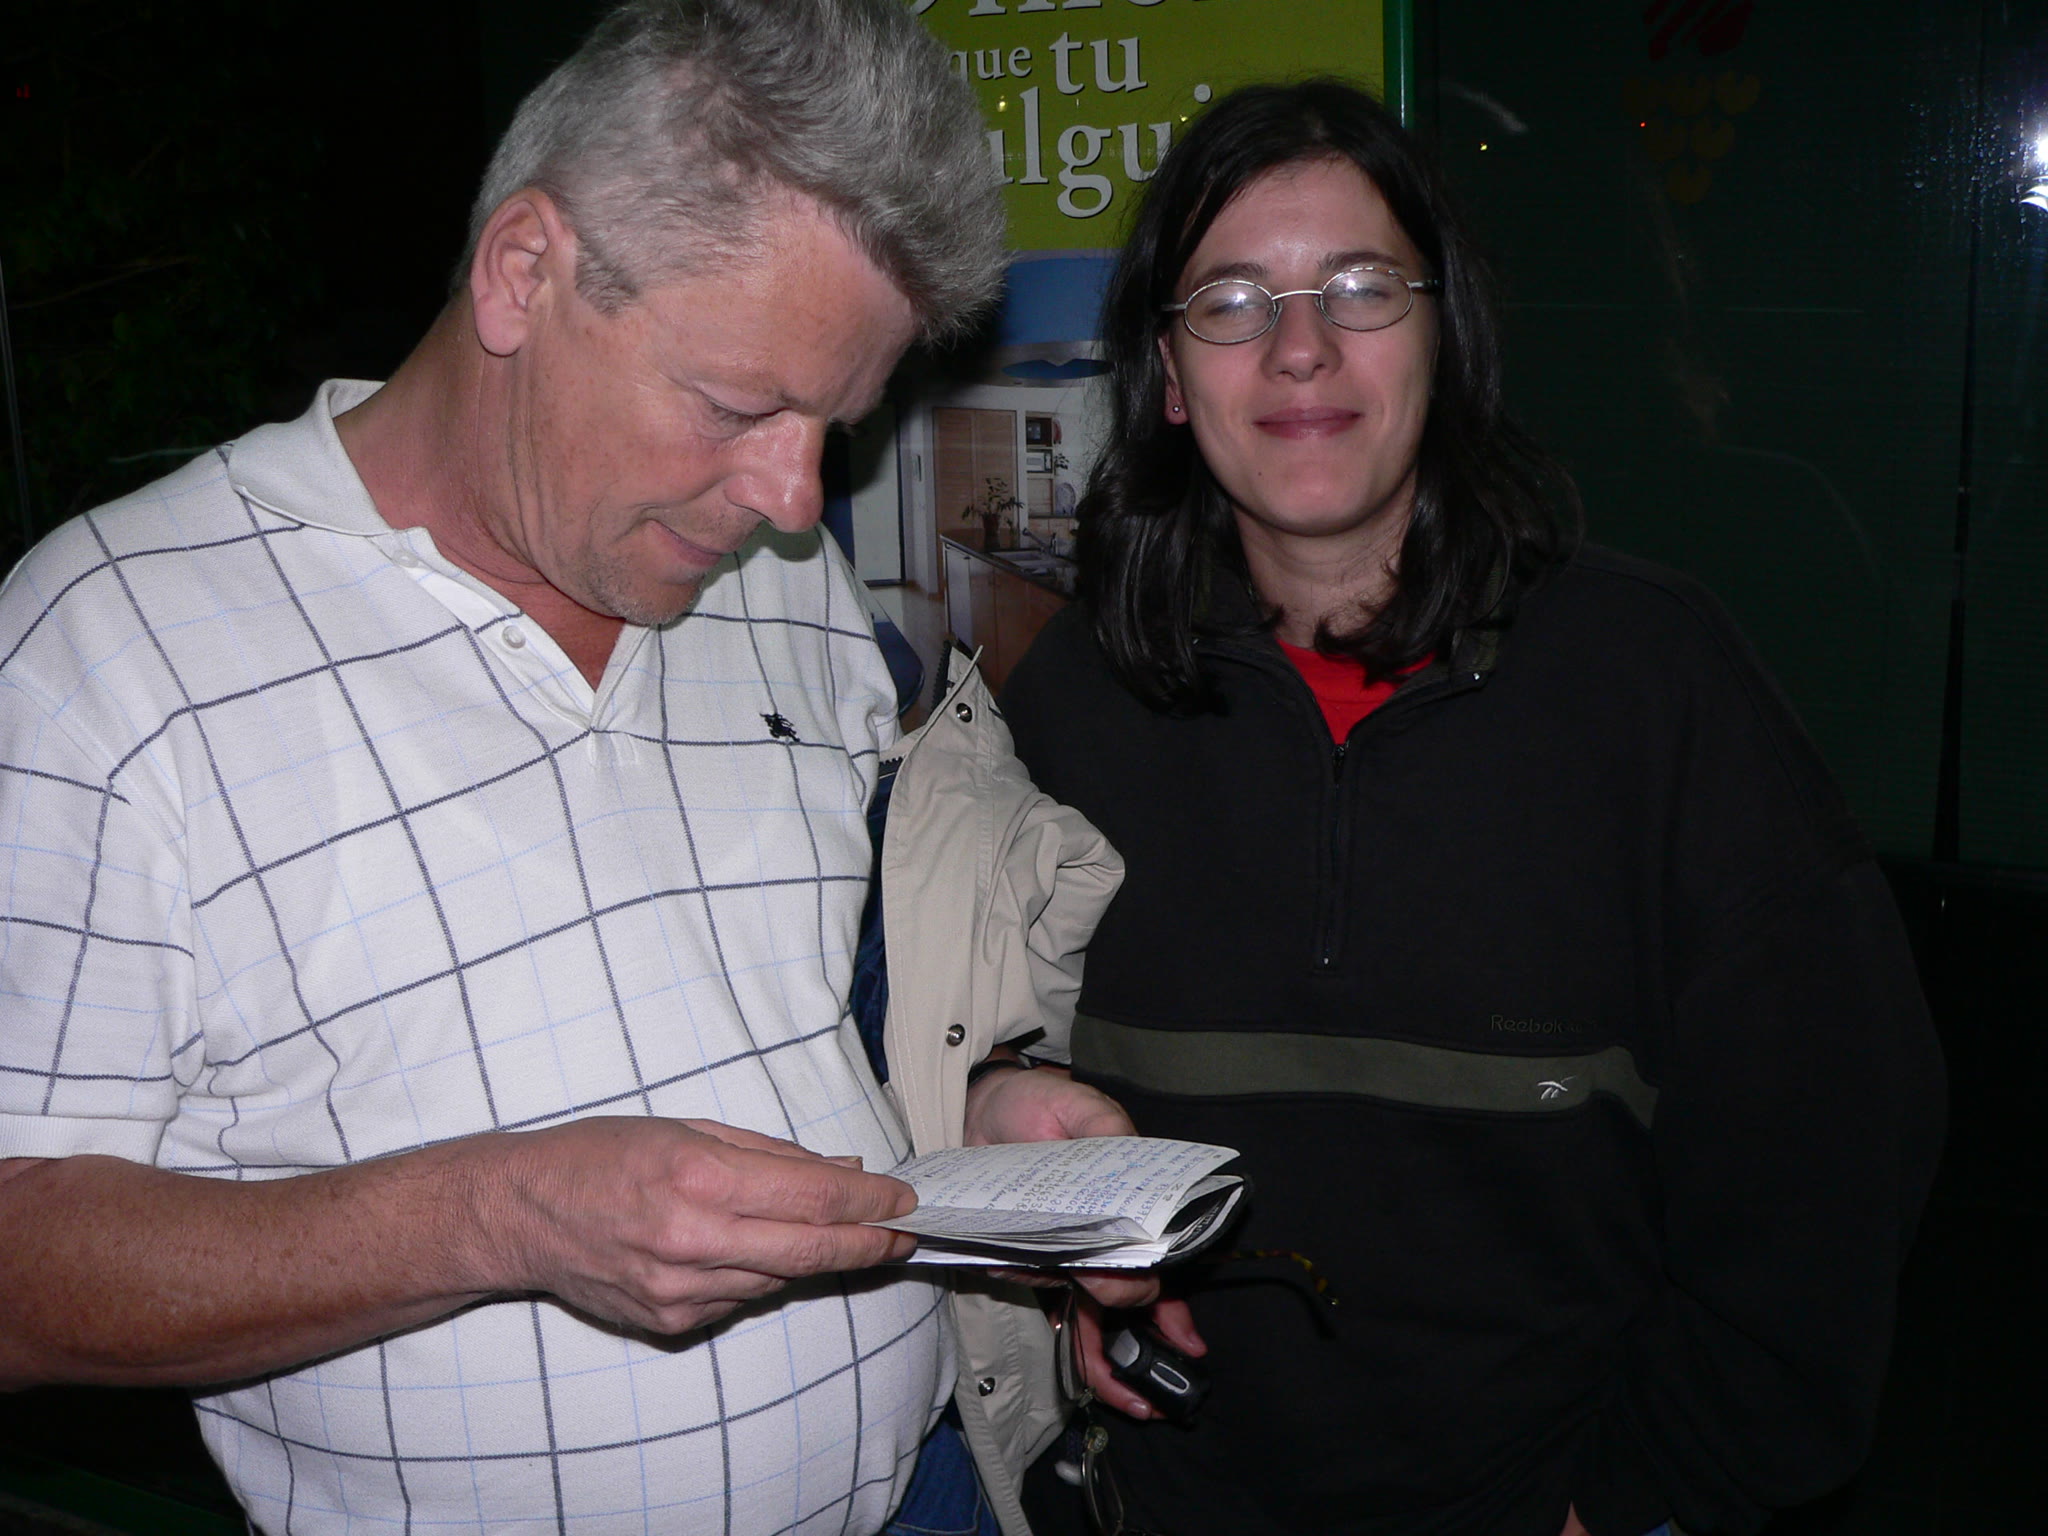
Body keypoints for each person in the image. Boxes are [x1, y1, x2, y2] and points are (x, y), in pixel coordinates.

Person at [0, 4, 1148, 1533]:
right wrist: (501, 1216)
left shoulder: (785, 588)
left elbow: (826, 1027)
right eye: (736, 406)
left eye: (834, 423)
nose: (792, 497)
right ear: (522, 271)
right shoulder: (108, 649)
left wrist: (974, 1122)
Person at [1002, 80, 1945, 1536]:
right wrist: (1064, 1267)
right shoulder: (1074, 699)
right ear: (1170, 378)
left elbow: (1831, 1159)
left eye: (1361, 288)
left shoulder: (1652, 684)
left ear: (1444, 339)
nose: (1301, 346)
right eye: (1233, 300)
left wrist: (1628, 1497)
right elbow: (996, 1074)